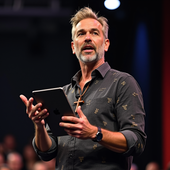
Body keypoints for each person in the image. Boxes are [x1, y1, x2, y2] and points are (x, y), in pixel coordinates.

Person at [20, 7, 147, 170]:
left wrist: (94, 132)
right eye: (81, 34)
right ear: (73, 47)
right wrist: (39, 125)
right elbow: (47, 151)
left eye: (94, 33)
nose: (87, 38)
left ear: (106, 44)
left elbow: (137, 141)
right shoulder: (64, 93)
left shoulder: (123, 83)